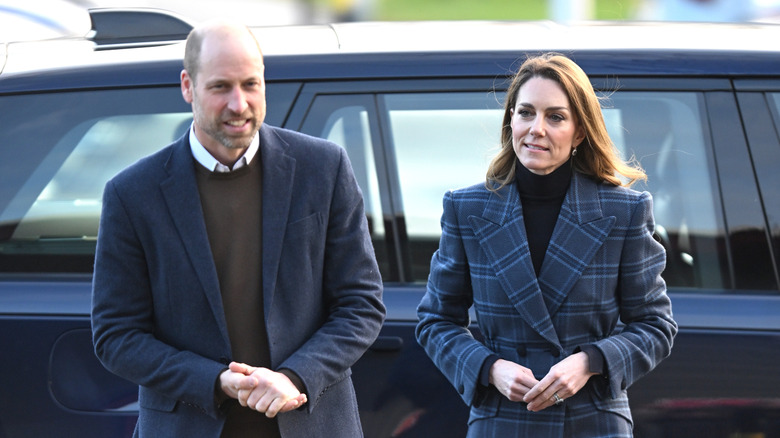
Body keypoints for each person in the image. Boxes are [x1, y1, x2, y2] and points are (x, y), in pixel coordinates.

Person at [91, 20, 385, 438]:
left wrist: (295, 377)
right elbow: (116, 336)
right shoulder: (132, 194)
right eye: (220, 87)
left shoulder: (324, 168)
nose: (239, 103)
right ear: (188, 86)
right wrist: (215, 381)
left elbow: (361, 304)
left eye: (251, 84)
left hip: (312, 424)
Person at [415, 53, 677, 437]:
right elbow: (435, 321)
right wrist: (489, 367)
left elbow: (656, 326)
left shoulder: (625, 211)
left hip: (593, 420)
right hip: (501, 419)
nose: (536, 128)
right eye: (526, 113)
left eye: (555, 117)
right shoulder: (466, 208)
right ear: (511, 121)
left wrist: (590, 362)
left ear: (580, 132)